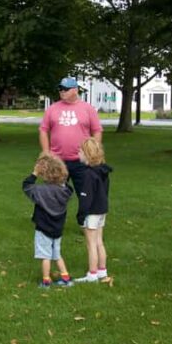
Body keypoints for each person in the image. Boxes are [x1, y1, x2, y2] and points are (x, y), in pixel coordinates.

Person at [39, 77, 103, 221]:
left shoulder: (88, 109)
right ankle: (53, 221)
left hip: (82, 161)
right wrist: (46, 151)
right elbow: (43, 130)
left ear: (75, 90)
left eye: (65, 89)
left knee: (86, 193)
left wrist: (93, 152)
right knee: (55, 193)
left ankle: (85, 222)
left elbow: (97, 131)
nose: (62, 92)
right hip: (57, 161)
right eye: (60, 89)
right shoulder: (52, 108)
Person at [22, 153, 75, 288]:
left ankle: (46, 281)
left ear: (44, 173)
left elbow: (27, 186)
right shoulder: (65, 191)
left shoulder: (41, 191)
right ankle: (66, 278)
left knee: (45, 256)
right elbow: (68, 186)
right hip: (58, 228)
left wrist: (34, 173)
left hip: (43, 228)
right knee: (57, 254)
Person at [74, 138, 113, 283]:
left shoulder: (88, 175)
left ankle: (92, 274)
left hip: (92, 212)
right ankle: (102, 271)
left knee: (91, 244)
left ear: (87, 154)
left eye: (80, 151)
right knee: (99, 242)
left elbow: (85, 197)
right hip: (102, 210)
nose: (78, 153)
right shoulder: (103, 171)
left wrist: (80, 215)